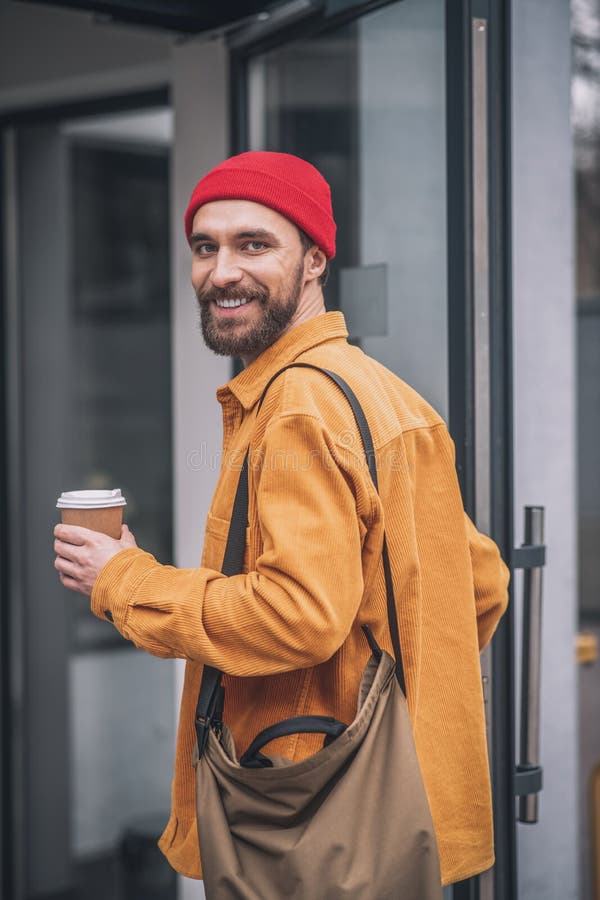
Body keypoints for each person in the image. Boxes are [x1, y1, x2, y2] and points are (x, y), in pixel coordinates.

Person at [54, 151, 510, 889]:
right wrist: (402, 689)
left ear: (314, 260)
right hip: (410, 810)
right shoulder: (385, 393)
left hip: (315, 814)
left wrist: (124, 580)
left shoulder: (299, 405)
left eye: (254, 244)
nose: (221, 270)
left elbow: (298, 615)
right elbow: (480, 584)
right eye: (206, 247)